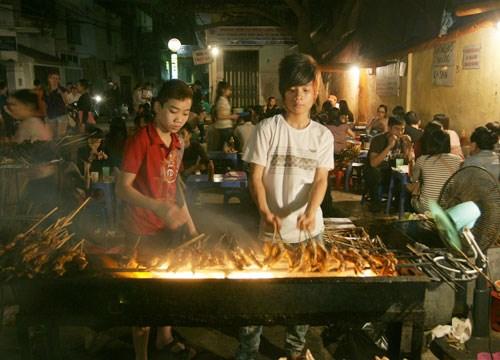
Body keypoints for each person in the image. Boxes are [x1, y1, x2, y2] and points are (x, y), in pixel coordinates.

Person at [241, 53, 334, 360]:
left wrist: (310, 211)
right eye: (293, 89)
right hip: (272, 230)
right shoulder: (267, 128)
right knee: (257, 297)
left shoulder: (322, 135)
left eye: (305, 90)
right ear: (283, 91)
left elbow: (321, 180)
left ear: (314, 92)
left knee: (302, 298)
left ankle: (295, 351)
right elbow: (255, 177)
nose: (299, 96)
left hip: (309, 232)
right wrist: (265, 210)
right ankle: (248, 352)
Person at [116, 79, 197, 360]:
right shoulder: (141, 140)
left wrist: (190, 223)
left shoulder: (176, 142)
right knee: (143, 295)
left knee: (168, 287)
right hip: (141, 229)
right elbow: (122, 188)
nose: (179, 119)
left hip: (168, 228)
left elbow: (176, 187)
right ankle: (141, 355)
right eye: (173, 111)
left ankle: (164, 338)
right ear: (157, 106)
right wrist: (157, 207)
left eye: (185, 113)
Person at [365, 116, 413, 212]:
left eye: (402, 129)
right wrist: (389, 146)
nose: (400, 132)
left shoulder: (402, 140)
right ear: (389, 128)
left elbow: (406, 164)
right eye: (397, 129)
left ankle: (400, 203)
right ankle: (376, 203)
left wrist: (408, 148)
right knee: (375, 172)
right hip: (378, 171)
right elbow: (374, 163)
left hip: (393, 170)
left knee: (405, 174)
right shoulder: (378, 140)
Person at [410, 129, 462, 213]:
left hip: (426, 209)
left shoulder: (423, 159)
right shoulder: (458, 160)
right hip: (448, 209)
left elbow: (413, 179)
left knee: (413, 194)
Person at [212, 80, 239, 150]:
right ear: (223, 90)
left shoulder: (223, 99)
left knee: (223, 147)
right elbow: (220, 116)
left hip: (225, 127)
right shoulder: (222, 100)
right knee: (225, 148)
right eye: (229, 90)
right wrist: (232, 116)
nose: (230, 92)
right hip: (224, 127)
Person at [45, 71, 68, 138]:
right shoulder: (46, 90)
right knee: (52, 135)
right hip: (50, 115)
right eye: (53, 78)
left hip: (61, 115)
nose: (55, 80)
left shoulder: (62, 89)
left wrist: (61, 93)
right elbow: (44, 103)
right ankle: (53, 148)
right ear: (49, 79)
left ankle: (61, 148)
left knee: (61, 136)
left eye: (57, 78)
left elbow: (66, 102)